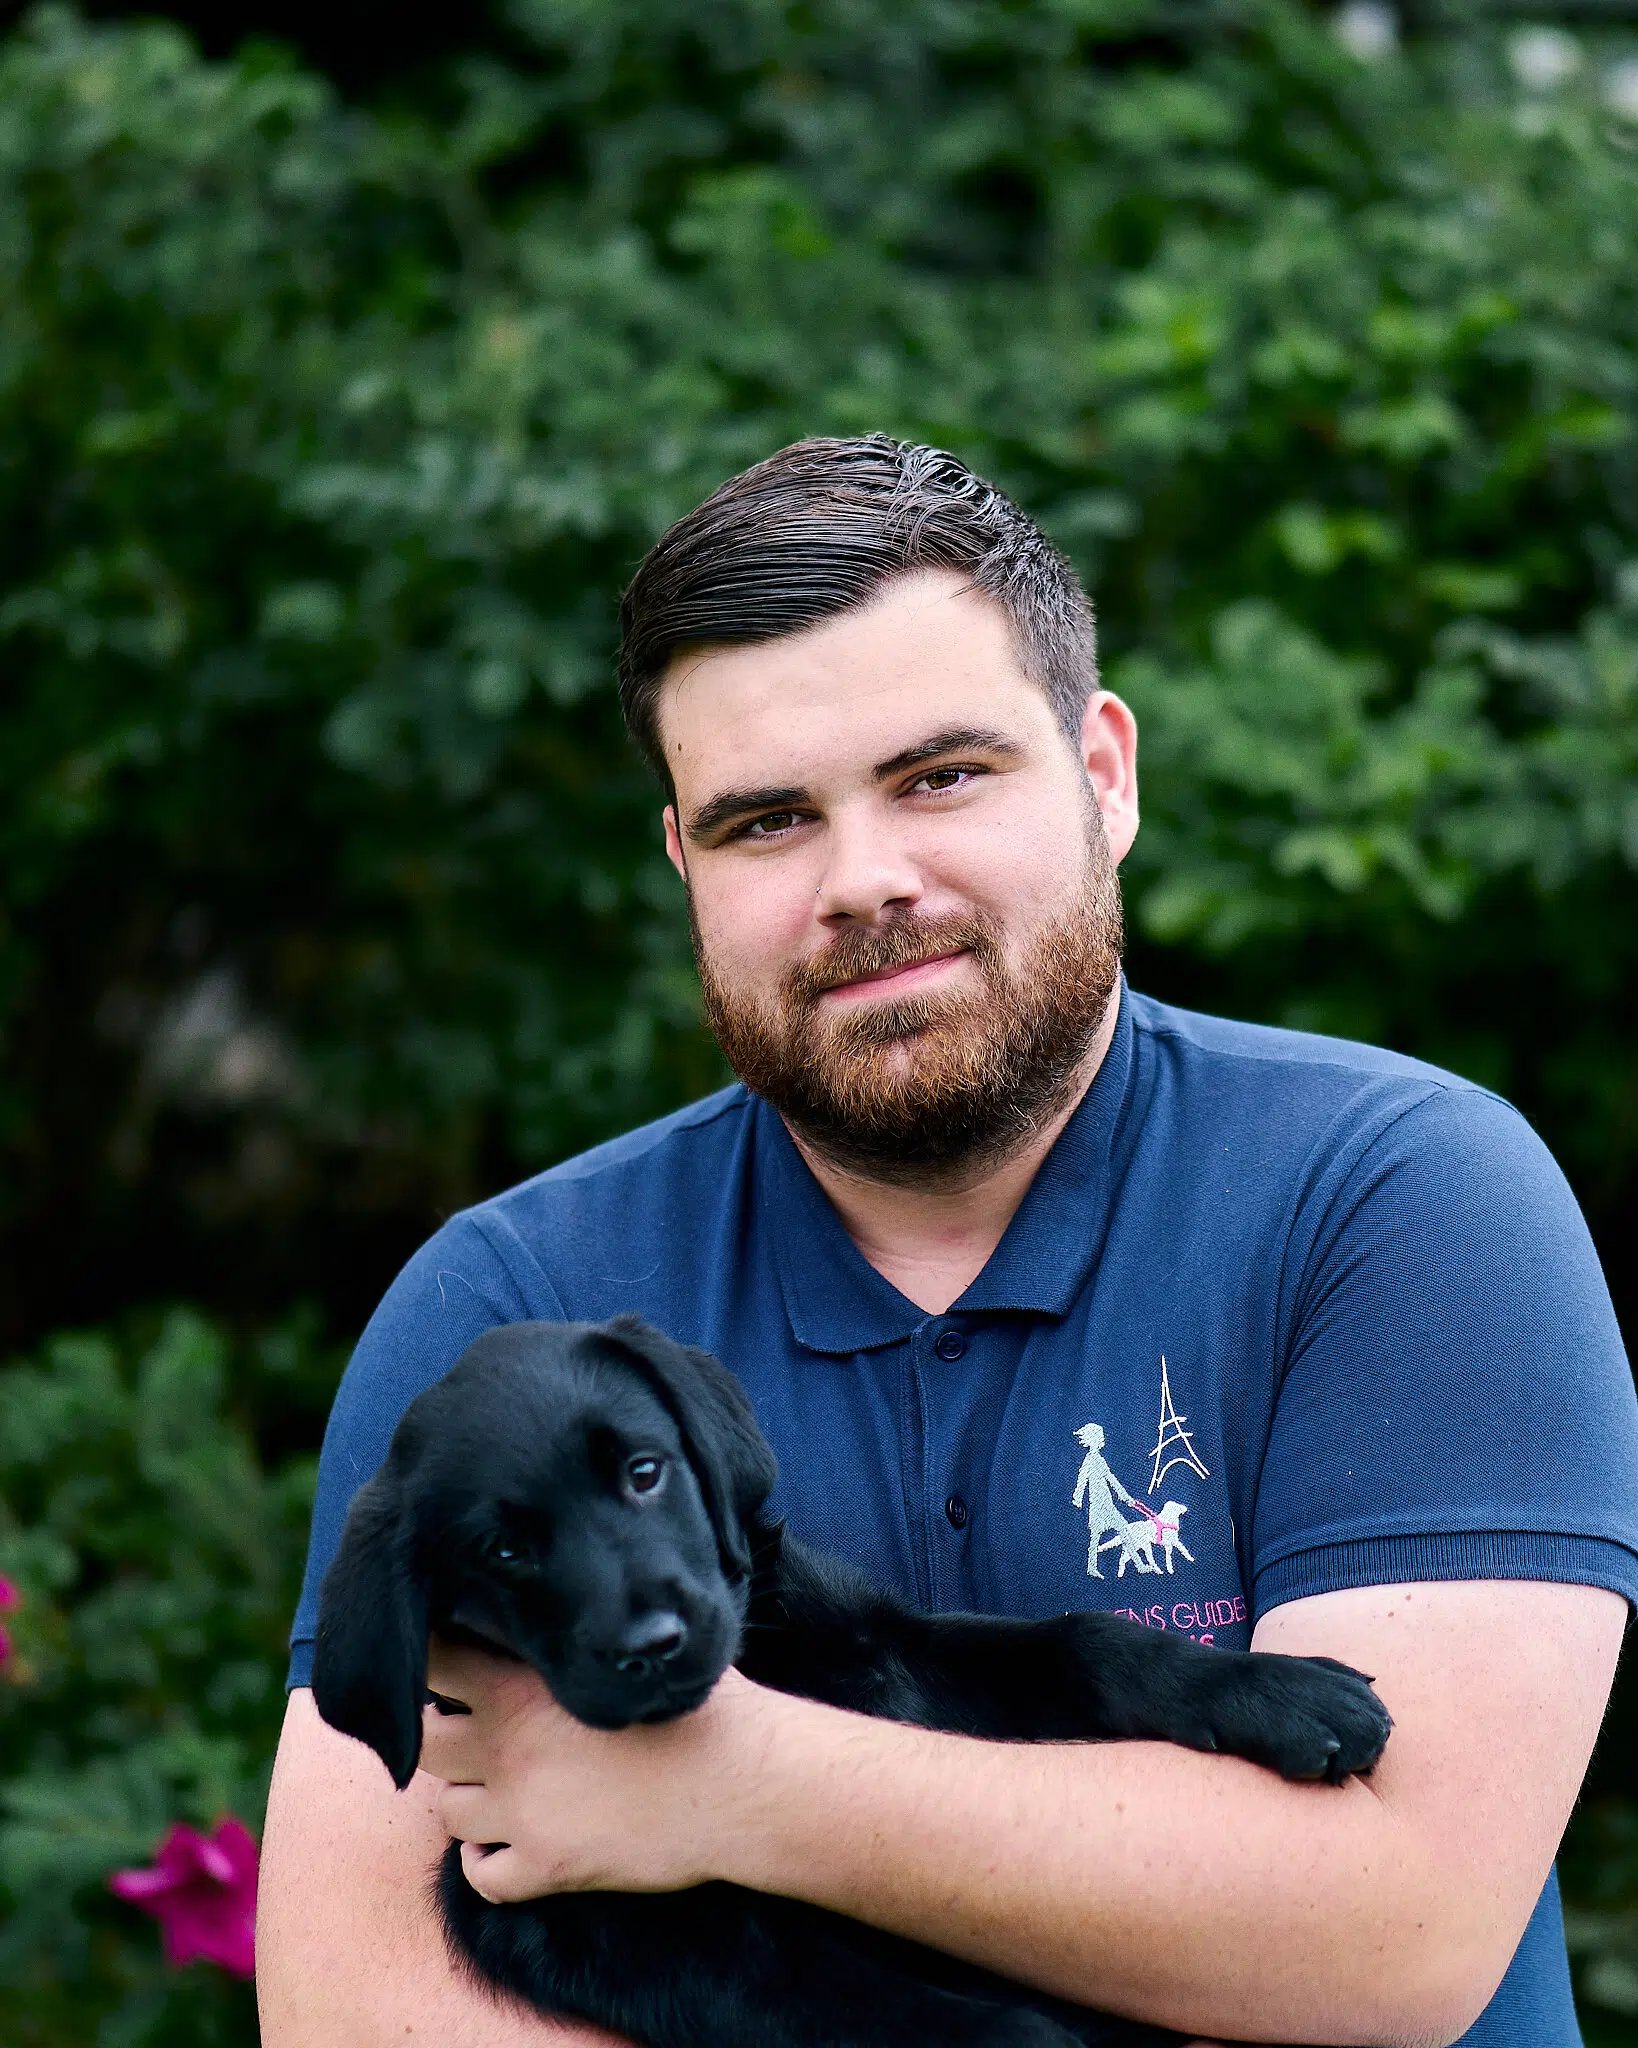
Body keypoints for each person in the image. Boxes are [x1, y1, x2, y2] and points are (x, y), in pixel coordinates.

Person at [257, 436, 1638, 2048]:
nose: (867, 881)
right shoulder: (515, 1307)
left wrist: (724, 1786)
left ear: (1104, 777)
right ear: (683, 863)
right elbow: (362, 2008)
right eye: (768, 820)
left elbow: (1389, 1932)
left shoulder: (1396, 1199)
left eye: (942, 776)